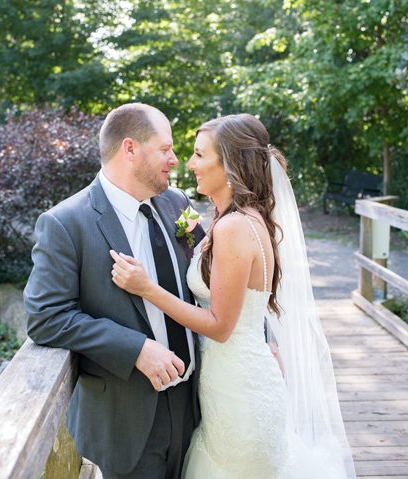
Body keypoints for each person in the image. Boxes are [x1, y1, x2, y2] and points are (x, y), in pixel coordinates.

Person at [110, 114, 355, 478]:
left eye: (198, 155)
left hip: (240, 393)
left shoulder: (235, 227)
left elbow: (220, 325)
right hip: (234, 381)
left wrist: (147, 288)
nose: (188, 163)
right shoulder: (242, 219)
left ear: (229, 164)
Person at [24, 103, 205, 479]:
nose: (175, 159)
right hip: (128, 415)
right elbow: (46, 318)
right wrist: (135, 349)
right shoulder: (65, 222)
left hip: (197, 403)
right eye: (165, 149)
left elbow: (212, 280)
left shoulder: (178, 204)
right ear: (130, 149)